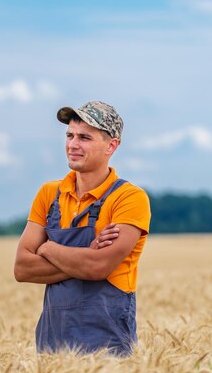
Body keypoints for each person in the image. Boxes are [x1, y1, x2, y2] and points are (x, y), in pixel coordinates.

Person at [14, 100, 151, 356]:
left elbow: (98, 266)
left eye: (85, 138)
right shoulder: (49, 194)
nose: (73, 145)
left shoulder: (129, 198)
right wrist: (85, 253)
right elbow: (22, 268)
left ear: (112, 145)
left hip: (107, 348)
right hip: (51, 346)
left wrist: (48, 247)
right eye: (70, 135)